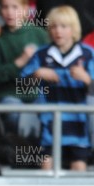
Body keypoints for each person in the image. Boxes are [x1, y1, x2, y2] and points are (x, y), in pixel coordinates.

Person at [21, 5, 94, 171]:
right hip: (49, 126)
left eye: (63, 26)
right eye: (53, 26)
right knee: (46, 168)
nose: (58, 31)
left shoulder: (87, 54)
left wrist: (86, 79)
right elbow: (21, 87)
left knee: (79, 169)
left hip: (77, 127)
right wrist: (37, 74)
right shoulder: (41, 55)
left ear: (74, 29)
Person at [0, 0, 49, 135]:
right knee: (16, 115)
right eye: (5, 7)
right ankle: (24, 151)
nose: (9, 12)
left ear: (25, 9)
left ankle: (45, 153)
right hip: (9, 95)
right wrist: (19, 62)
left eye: (15, 7)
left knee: (51, 111)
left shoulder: (40, 34)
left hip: (39, 94)